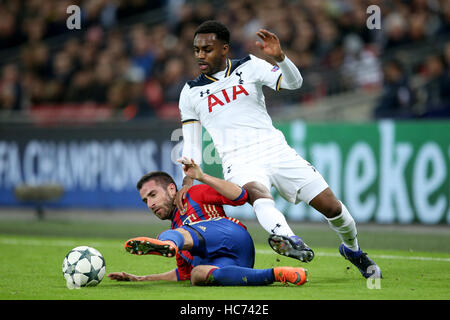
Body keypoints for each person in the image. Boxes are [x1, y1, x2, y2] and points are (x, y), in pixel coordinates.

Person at [177, 20, 381, 278]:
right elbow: (192, 141)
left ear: (225, 48)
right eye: (196, 50)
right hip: (238, 160)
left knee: (333, 208)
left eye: (207, 49)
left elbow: (294, 83)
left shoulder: (250, 66)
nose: (200, 55)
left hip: (275, 149)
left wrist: (281, 58)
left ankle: (352, 250)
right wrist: (187, 179)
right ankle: (288, 239)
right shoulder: (191, 92)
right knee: (256, 193)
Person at [107, 157, 307, 286]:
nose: (150, 204)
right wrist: (140, 278)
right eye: (145, 200)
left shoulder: (193, 194)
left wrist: (202, 176)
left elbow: (241, 196)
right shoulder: (176, 229)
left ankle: (165, 242)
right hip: (235, 262)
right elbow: (180, 275)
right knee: (197, 275)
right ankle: (277, 274)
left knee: (178, 235)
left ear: (170, 189)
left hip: (230, 234)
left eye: (153, 195)